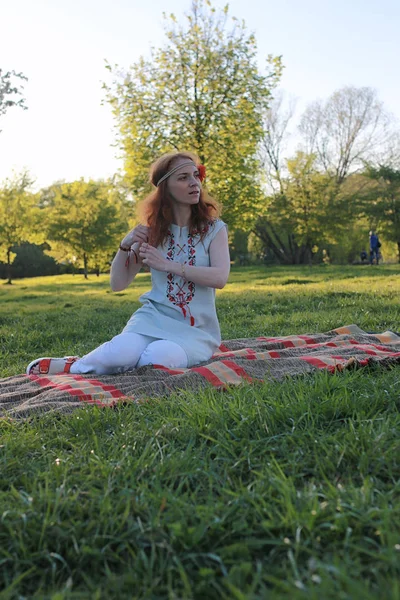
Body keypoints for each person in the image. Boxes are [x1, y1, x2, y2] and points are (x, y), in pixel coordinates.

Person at [26, 151, 230, 376]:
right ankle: (74, 366)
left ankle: (124, 362)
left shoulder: (214, 229)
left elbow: (220, 278)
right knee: (120, 354)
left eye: (195, 175)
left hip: (196, 330)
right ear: (166, 189)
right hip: (152, 319)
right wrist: (124, 246)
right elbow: (118, 284)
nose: (194, 183)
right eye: (183, 178)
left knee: (155, 360)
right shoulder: (153, 232)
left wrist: (167, 265)